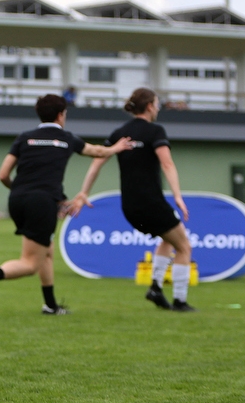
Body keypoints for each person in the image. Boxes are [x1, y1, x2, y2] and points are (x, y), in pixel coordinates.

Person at [0, 94, 132, 314]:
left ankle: (51, 305)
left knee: (47, 251)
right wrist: (116, 148)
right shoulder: (66, 138)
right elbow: (97, 151)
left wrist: (21, 190)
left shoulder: (24, 138)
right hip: (42, 202)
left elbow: (3, 174)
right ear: (61, 114)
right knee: (30, 263)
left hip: (17, 199)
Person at [68, 87, 196, 312]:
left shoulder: (120, 132)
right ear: (149, 107)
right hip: (152, 203)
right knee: (184, 246)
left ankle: (155, 287)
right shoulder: (155, 131)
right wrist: (178, 196)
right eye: (156, 104)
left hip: (129, 207)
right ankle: (180, 301)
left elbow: (97, 161)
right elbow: (167, 164)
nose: (158, 109)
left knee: (167, 239)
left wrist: (84, 191)